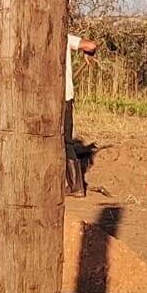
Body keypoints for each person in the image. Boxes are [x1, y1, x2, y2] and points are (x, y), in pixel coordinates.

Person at [65, 33, 99, 197]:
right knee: (65, 141)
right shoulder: (65, 37)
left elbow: (91, 45)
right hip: (65, 96)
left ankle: (75, 185)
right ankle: (73, 183)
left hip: (58, 97)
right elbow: (91, 46)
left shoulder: (61, 37)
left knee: (64, 141)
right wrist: (87, 53)